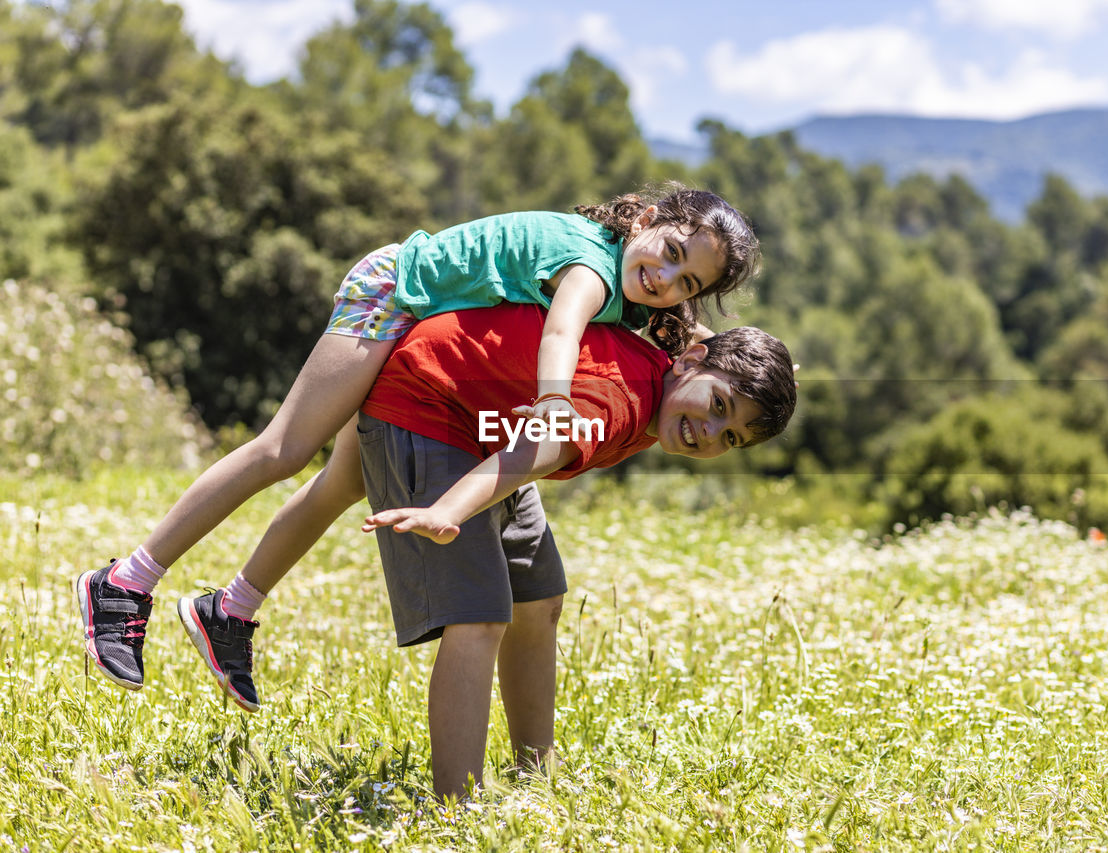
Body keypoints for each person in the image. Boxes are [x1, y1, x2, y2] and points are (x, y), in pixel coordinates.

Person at [76, 185, 760, 701]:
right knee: (285, 448)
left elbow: (671, 330)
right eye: (670, 254)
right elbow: (561, 331)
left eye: (688, 282)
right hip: (393, 294)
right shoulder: (591, 268)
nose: (667, 279)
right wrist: (554, 401)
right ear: (645, 221)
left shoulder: (640, 285)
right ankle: (125, 581)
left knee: (342, 482)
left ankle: (230, 609)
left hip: (427, 347)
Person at [344, 301, 794, 799]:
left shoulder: (671, 375)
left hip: (481, 423)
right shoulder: (622, 402)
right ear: (690, 362)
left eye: (728, 436)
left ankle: (535, 778)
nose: (710, 432)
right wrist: (448, 510)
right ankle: (457, 808)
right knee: (478, 616)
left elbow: (703, 344)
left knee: (537, 599)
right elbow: (535, 448)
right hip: (427, 404)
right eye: (719, 406)